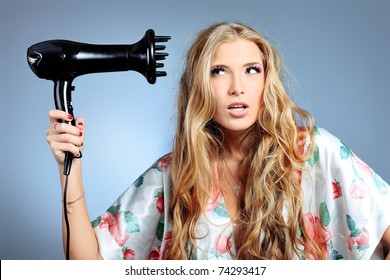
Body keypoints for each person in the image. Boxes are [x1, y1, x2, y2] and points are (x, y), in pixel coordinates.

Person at [46, 22, 390, 260]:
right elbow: (86, 263)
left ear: (266, 80)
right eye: (219, 71)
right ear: (199, 86)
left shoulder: (313, 153)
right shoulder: (175, 173)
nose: (237, 87)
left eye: (251, 70)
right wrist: (68, 167)